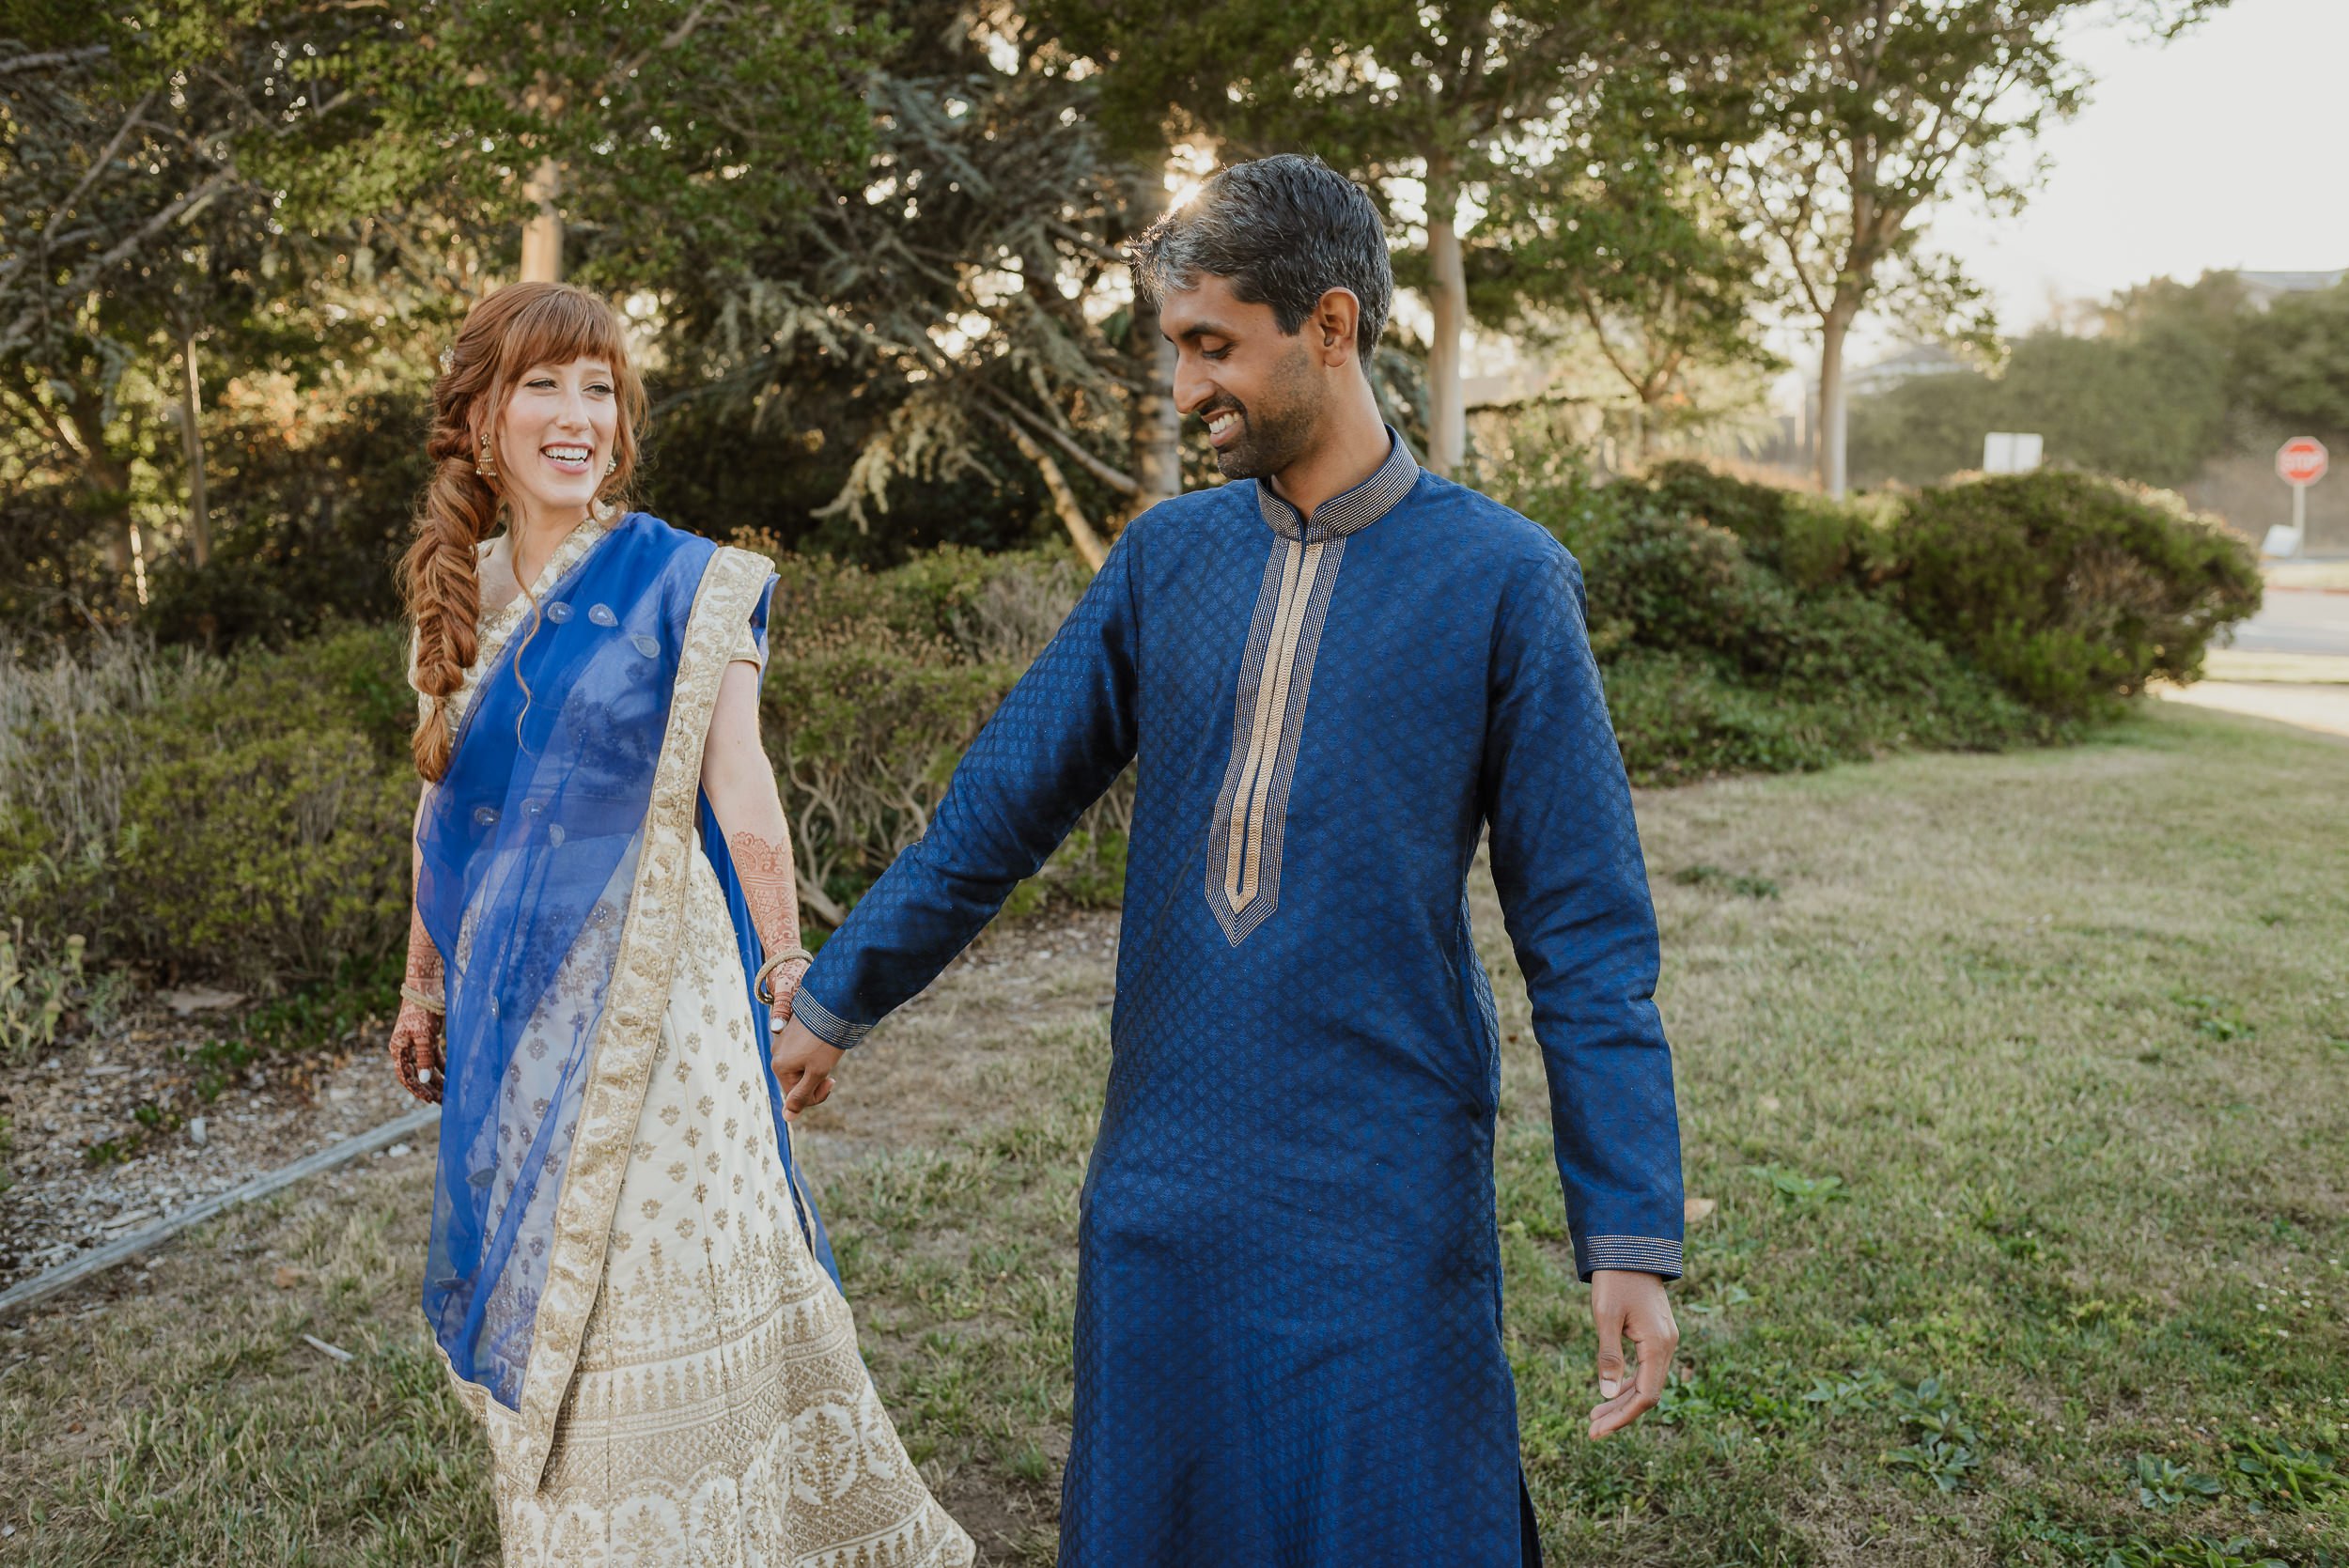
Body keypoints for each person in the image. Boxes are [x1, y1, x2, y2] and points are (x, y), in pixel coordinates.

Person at [769, 156, 1685, 1566]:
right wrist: (838, 999)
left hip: (1382, 1178)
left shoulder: (1505, 581)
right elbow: (996, 810)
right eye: (1176, 348)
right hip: (1166, 1164)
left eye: (1214, 346)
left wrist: (1626, 1227)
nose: (1185, 388)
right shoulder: (1166, 560)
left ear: (1330, 326)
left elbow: (1587, 934)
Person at [383, 281, 972, 1567]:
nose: (577, 414)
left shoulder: (690, 583)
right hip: (512, 1012)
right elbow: (444, 818)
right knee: (558, 1303)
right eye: (545, 384)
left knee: (663, 1270)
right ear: (481, 416)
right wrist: (421, 984)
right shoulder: (456, 592)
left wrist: (782, 956)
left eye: (601, 387)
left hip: (670, 1003)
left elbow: (742, 786)